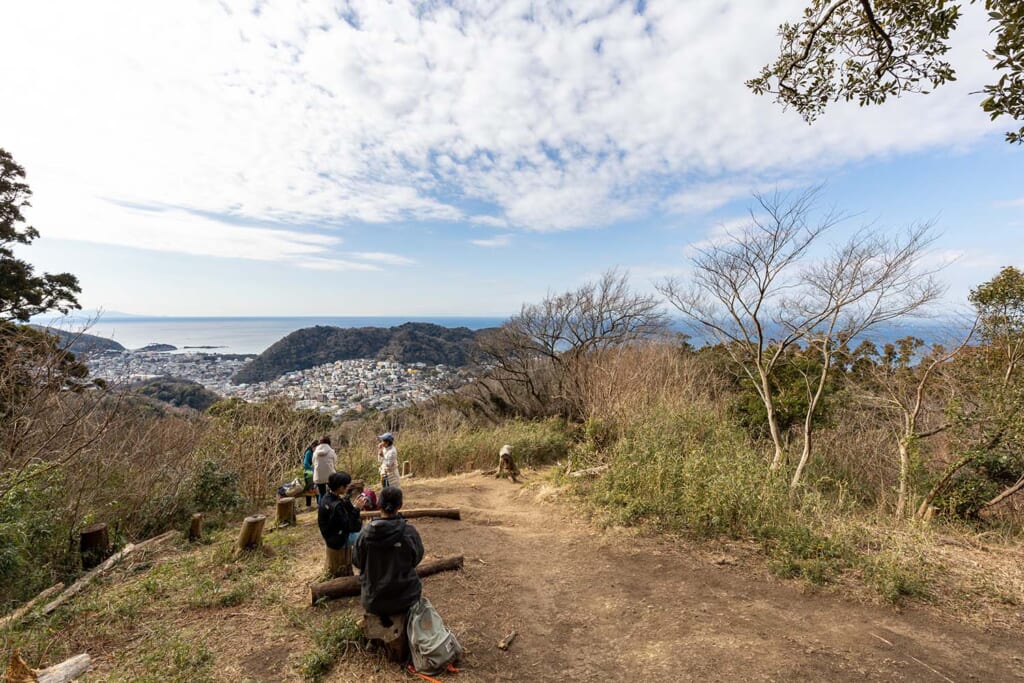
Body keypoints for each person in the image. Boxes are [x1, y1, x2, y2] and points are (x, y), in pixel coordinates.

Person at [353, 486, 424, 618]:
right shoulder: (409, 532)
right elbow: (416, 558)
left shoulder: (364, 534)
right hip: (407, 598)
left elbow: (357, 561)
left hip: (373, 601)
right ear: (400, 505)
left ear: (379, 504)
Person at [318, 471, 362, 550]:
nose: (349, 487)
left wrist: (350, 505)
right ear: (341, 487)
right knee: (369, 537)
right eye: (347, 485)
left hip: (332, 536)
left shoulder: (327, 496)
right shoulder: (335, 506)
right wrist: (357, 509)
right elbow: (349, 526)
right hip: (338, 540)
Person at [312, 436, 337, 504]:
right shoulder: (331, 451)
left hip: (318, 476)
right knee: (333, 491)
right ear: (329, 443)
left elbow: (313, 463)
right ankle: (332, 506)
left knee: (321, 493)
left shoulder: (315, 453)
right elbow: (335, 462)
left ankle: (321, 509)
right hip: (330, 475)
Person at [302, 440, 317, 507]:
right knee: (309, 490)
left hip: (313, 473)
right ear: (313, 446)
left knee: (316, 488)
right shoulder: (308, 452)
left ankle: (318, 503)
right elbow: (305, 463)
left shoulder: (315, 452)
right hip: (308, 473)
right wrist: (312, 469)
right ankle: (308, 505)